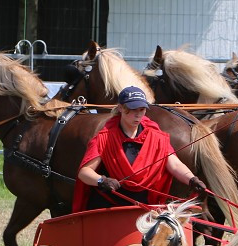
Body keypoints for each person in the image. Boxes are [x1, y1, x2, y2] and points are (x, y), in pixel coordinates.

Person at [73, 86, 206, 211]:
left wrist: (192, 179)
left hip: (144, 207)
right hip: (109, 206)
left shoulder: (156, 137)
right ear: (120, 108)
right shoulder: (104, 138)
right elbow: (84, 172)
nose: (138, 115)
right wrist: (102, 180)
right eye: (132, 109)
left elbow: (175, 165)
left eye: (141, 110)